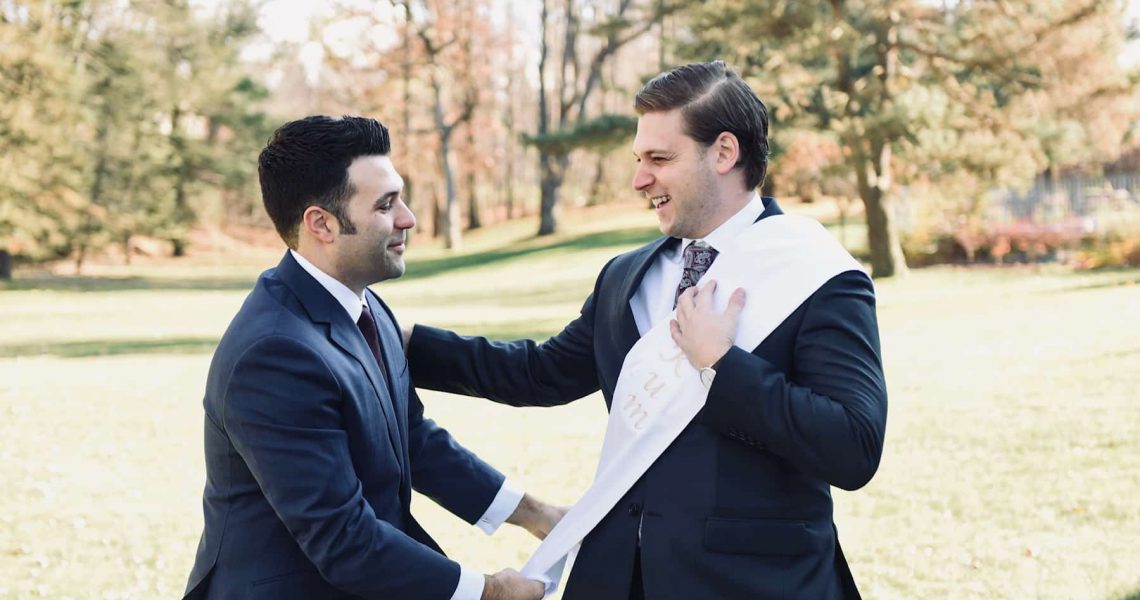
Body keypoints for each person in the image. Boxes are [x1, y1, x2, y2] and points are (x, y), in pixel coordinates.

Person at [404, 61, 888, 599]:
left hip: (749, 584)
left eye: (660, 159)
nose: (639, 180)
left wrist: (721, 366)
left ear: (724, 153)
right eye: (639, 160)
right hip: (614, 579)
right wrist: (404, 341)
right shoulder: (625, 277)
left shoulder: (817, 273)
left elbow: (853, 447)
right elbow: (536, 374)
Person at [183, 116, 556, 600]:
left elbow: (413, 440)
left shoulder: (366, 304)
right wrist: (490, 591)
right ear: (322, 224)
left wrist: (535, 514)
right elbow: (342, 539)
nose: (408, 218)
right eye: (386, 205)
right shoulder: (274, 354)